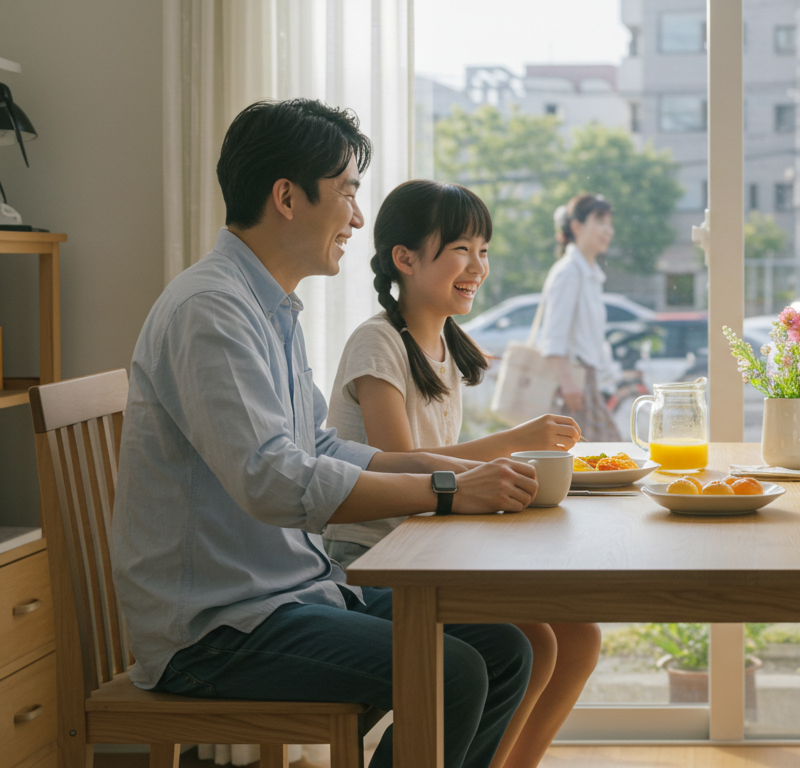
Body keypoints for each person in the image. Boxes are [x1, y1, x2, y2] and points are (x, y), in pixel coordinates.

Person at [110, 99, 538, 768]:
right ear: (287, 196)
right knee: (453, 672)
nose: (357, 218)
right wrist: (448, 490)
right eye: (346, 193)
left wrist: (441, 472)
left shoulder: (266, 306)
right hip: (218, 629)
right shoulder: (211, 311)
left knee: (505, 649)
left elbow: (319, 445)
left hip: (292, 592)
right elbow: (273, 480)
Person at [321, 179, 600, 768]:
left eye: (484, 250)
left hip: (428, 550)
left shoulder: (443, 344)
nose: (478, 266)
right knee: (538, 641)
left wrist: (516, 452)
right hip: (372, 561)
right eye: (461, 250)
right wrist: (515, 445)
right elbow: (398, 472)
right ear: (405, 258)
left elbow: (439, 466)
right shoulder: (378, 346)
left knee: (578, 635)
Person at [535, 193, 623, 440]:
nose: (608, 230)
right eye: (600, 222)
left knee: (592, 459)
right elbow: (553, 337)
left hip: (585, 381)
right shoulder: (569, 272)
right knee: (601, 455)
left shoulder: (588, 273)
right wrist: (568, 384)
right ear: (576, 226)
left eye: (609, 223)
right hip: (573, 382)